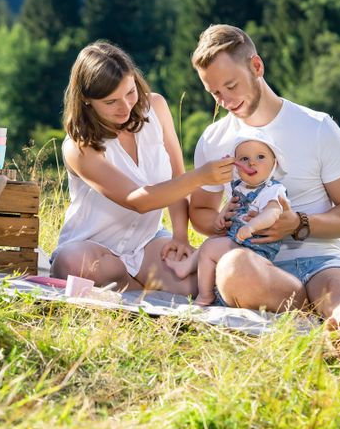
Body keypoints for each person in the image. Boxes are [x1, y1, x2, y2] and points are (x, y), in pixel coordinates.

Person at [188, 24, 340, 357]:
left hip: (322, 260)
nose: (226, 100)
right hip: (258, 268)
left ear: (256, 67)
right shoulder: (214, 140)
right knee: (232, 269)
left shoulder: (316, 127)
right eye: (215, 93)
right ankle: (323, 321)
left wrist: (299, 223)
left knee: (339, 291)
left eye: (231, 85)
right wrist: (218, 221)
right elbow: (200, 215)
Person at [51, 41, 235, 295]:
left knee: (202, 284)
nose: (125, 107)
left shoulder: (156, 107)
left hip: (146, 243)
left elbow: (175, 176)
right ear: (86, 101)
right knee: (72, 264)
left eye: (130, 92)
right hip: (92, 247)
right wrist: (201, 177)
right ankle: (136, 285)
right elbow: (137, 200)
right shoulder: (79, 147)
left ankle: (128, 287)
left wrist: (180, 236)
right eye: (111, 101)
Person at [167, 132, 290, 305]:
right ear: (237, 166)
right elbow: (230, 205)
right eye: (244, 158)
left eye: (260, 157)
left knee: (210, 248)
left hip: (256, 247)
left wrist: (252, 227)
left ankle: (205, 295)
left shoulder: (273, 190)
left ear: (274, 163)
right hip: (237, 239)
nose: (252, 162)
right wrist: (221, 217)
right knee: (213, 239)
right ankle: (186, 266)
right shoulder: (239, 187)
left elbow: (273, 213)